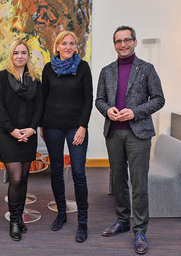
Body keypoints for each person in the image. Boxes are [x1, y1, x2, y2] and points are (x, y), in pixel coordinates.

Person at [95, 26, 165, 254]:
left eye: (127, 40)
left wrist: (135, 112)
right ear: (114, 44)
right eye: (118, 41)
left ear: (134, 42)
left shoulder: (146, 69)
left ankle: (141, 230)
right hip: (114, 132)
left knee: (138, 183)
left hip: (139, 134)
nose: (122, 44)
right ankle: (123, 220)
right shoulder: (106, 71)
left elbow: (158, 99)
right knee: (118, 181)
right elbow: (99, 100)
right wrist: (107, 111)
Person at [40, 31, 93, 242]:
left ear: (75, 47)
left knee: (79, 173)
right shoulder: (48, 68)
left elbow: (88, 98)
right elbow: (43, 99)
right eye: (65, 43)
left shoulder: (83, 67)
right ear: (57, 46)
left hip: (75, 128)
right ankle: (61, 214)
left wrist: (83, 126)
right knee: (56, 172)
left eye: (72, 43)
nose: (69, 46)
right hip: (52, 126)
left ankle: (82, 221)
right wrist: (42, 125)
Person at [0, 39, 42, 241]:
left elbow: (40, 107)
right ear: (11, 55)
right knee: (15, 178)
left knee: (24, 178)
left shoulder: (35, 79)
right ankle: (14, 220)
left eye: (23, 52)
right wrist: (13, 131)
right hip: (9, 135)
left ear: (28, 56)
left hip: (28, 136)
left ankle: (20, 216)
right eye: (16, 53)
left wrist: (31, 129)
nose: (20, 56)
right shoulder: (2, 77)